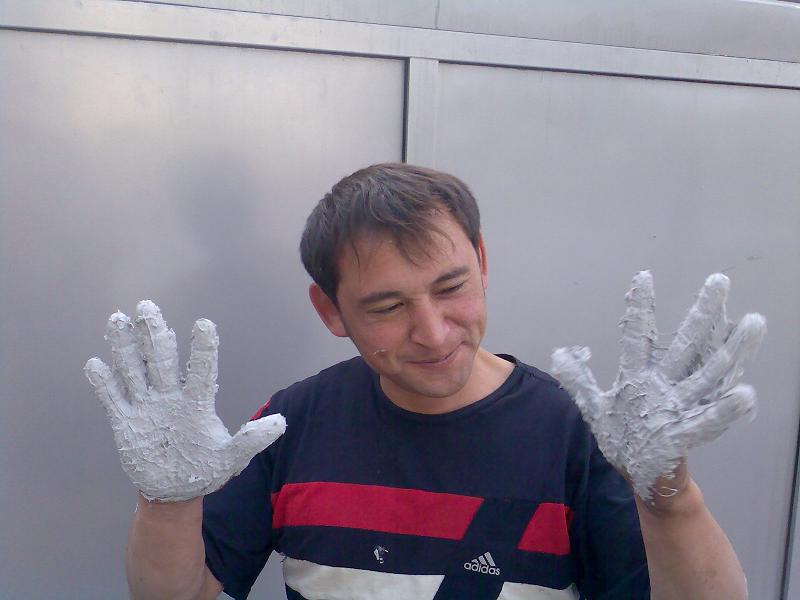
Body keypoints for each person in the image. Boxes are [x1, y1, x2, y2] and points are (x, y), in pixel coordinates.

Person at [86, 163, 763, 600]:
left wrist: (670, 496)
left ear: (482, 262)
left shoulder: (577, 434)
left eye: (451, 288)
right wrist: (165, 504)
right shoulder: (293, 423)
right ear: (330, 310)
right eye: (388, 307)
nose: (434, 333)